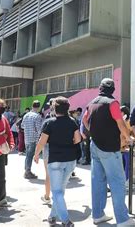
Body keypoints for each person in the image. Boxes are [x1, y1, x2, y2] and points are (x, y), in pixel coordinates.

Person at [82, 78, 135, 226]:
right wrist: (129, 138)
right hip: (110, 148)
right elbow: (120, 123)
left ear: (100, 88)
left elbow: (84, 121)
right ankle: (123, 219)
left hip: (95, 145)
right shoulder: (112, 103)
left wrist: (94, 132)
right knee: (117, 182)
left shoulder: (92, 103)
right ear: (113, 89)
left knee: (98, 181)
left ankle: (98, 214)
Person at [34, 97, 81, 227]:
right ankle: (52, 216)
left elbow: (42, 142)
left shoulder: (49, 123)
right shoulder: (73, 122)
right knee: (60, 190)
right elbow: (78, 139)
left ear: (54, 108)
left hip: (55, 161)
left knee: (57, 192)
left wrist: (36, 154)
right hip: (70, 160)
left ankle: (66, 220)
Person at [22, 101, 43, 179]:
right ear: (38, 107)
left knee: (28, 155)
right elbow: (39, 129)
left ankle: (26, 170)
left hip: (26, 138)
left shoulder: (26, 115)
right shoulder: (37, 116)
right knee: (30, 155)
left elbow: (22, 126)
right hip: (33, 138)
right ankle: (28, 171)